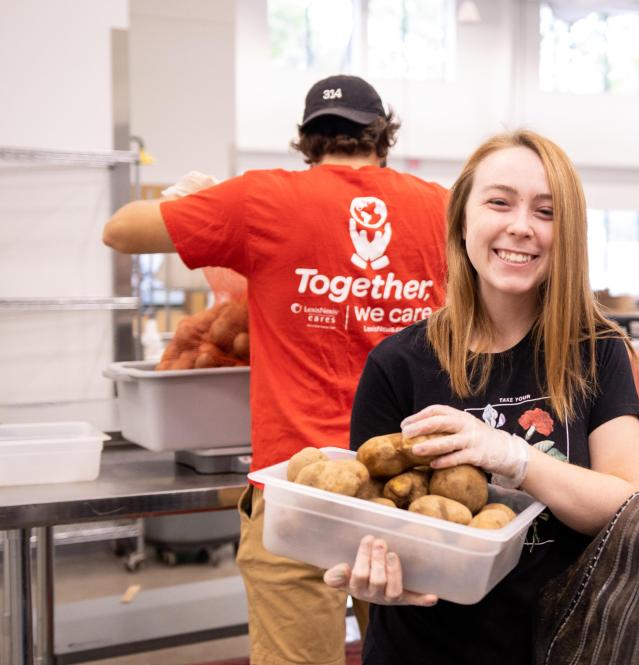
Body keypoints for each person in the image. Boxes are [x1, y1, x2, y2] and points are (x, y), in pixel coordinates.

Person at [102, 75, 449, 665]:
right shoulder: (441, 206)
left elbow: (120, 230)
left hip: (299, 486)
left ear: (308, 141)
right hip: (414, 486)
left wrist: (188, 203)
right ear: (382, 136)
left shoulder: (260, 200)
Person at [328, 130, 639, 663]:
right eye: (499, 202)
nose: (520, 227)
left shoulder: (598, 351)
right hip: (423, 650)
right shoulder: (397, 363)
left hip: (563, 645)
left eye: (546, 212)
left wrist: (512, 456)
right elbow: (373, 519)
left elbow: (627, 503)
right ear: (462, 218)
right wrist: (369, 576)